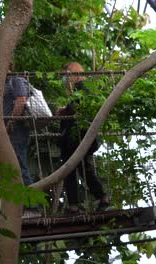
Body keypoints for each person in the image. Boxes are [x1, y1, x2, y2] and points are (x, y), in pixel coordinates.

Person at [57, 62, 110, 213]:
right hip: (79, 138)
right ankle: (101, 198)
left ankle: (75, 205)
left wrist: (63, 111)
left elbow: (78, 110)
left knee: (70, 170)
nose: (65, 79)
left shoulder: (82, 88)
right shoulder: (81, 90)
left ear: (73, 73)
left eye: (66, 74)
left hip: (77, 137)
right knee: (84, 169)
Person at [3, 62, 39, 218]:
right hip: (9, 130)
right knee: (8, 169)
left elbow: (21, 101)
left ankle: (33, 208)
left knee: (19, 165)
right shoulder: (3, 85)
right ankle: (3, 210)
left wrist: (10, 123)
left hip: (16, 129)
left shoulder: (16, 80)